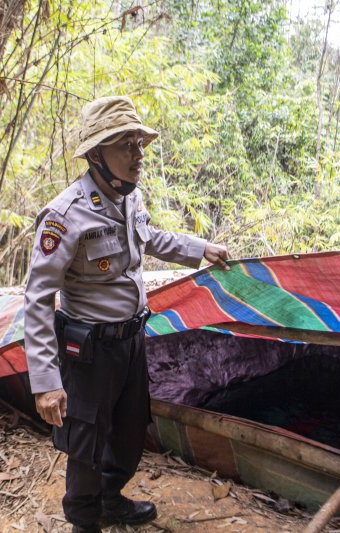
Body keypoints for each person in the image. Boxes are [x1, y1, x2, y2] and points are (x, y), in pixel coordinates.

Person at [24, 95, 230, 533]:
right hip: (90, 349)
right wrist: (45, 383)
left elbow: (149, 237)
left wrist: (201, 249)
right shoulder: (65, 215)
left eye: (140, 143)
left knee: (130, 428)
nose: (138, 155)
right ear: (97, 154)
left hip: (131, 340)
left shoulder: (127, 197)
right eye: (126, 145)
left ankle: (111, 498)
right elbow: (38, 298)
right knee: (86, 439)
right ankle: (84, 520)